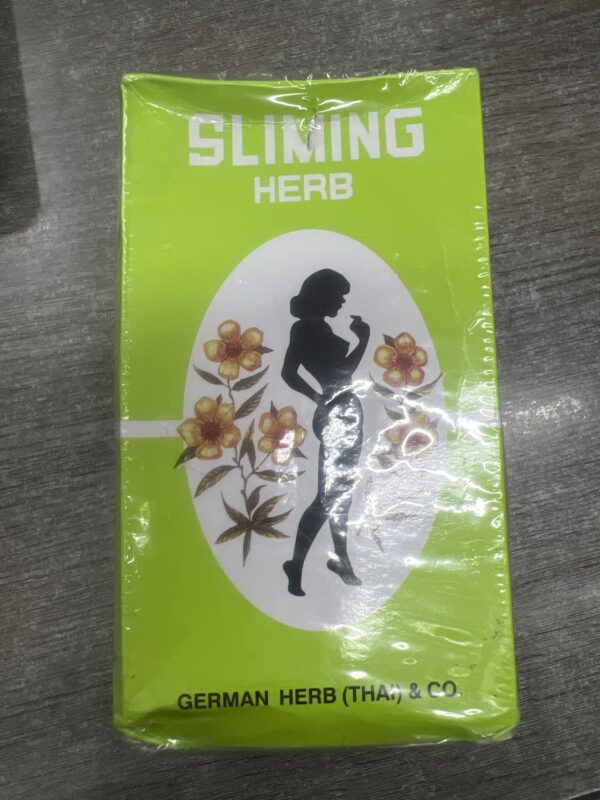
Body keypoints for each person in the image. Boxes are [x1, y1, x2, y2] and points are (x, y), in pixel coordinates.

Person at [281, 269, 370, 596]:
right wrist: (364, 340)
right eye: (339, 296)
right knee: (328, 496)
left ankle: (338, 560)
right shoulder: (310, 329)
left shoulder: (308, 328)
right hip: (340, 413)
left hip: (339, 411)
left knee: (338, 492)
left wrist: (317, 398)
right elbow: (341, 372)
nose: (342, 302)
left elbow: (290, 373)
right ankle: (301, 563)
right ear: (324, 296)